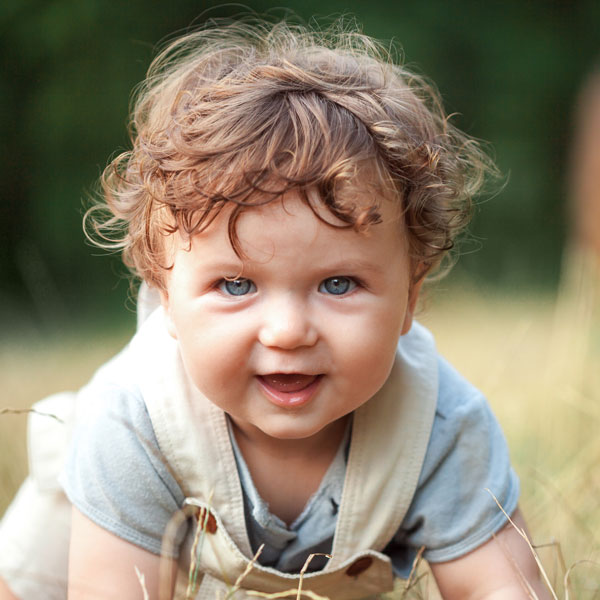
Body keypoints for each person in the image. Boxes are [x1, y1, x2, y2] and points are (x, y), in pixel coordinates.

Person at [0, 17, 551, 600]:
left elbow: (503, 589)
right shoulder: (130, 423)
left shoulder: (442, 424)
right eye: (236, 286)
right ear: (165, 298)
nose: (288, 332)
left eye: (338, 283)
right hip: (91, 526)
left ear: (411, 297)